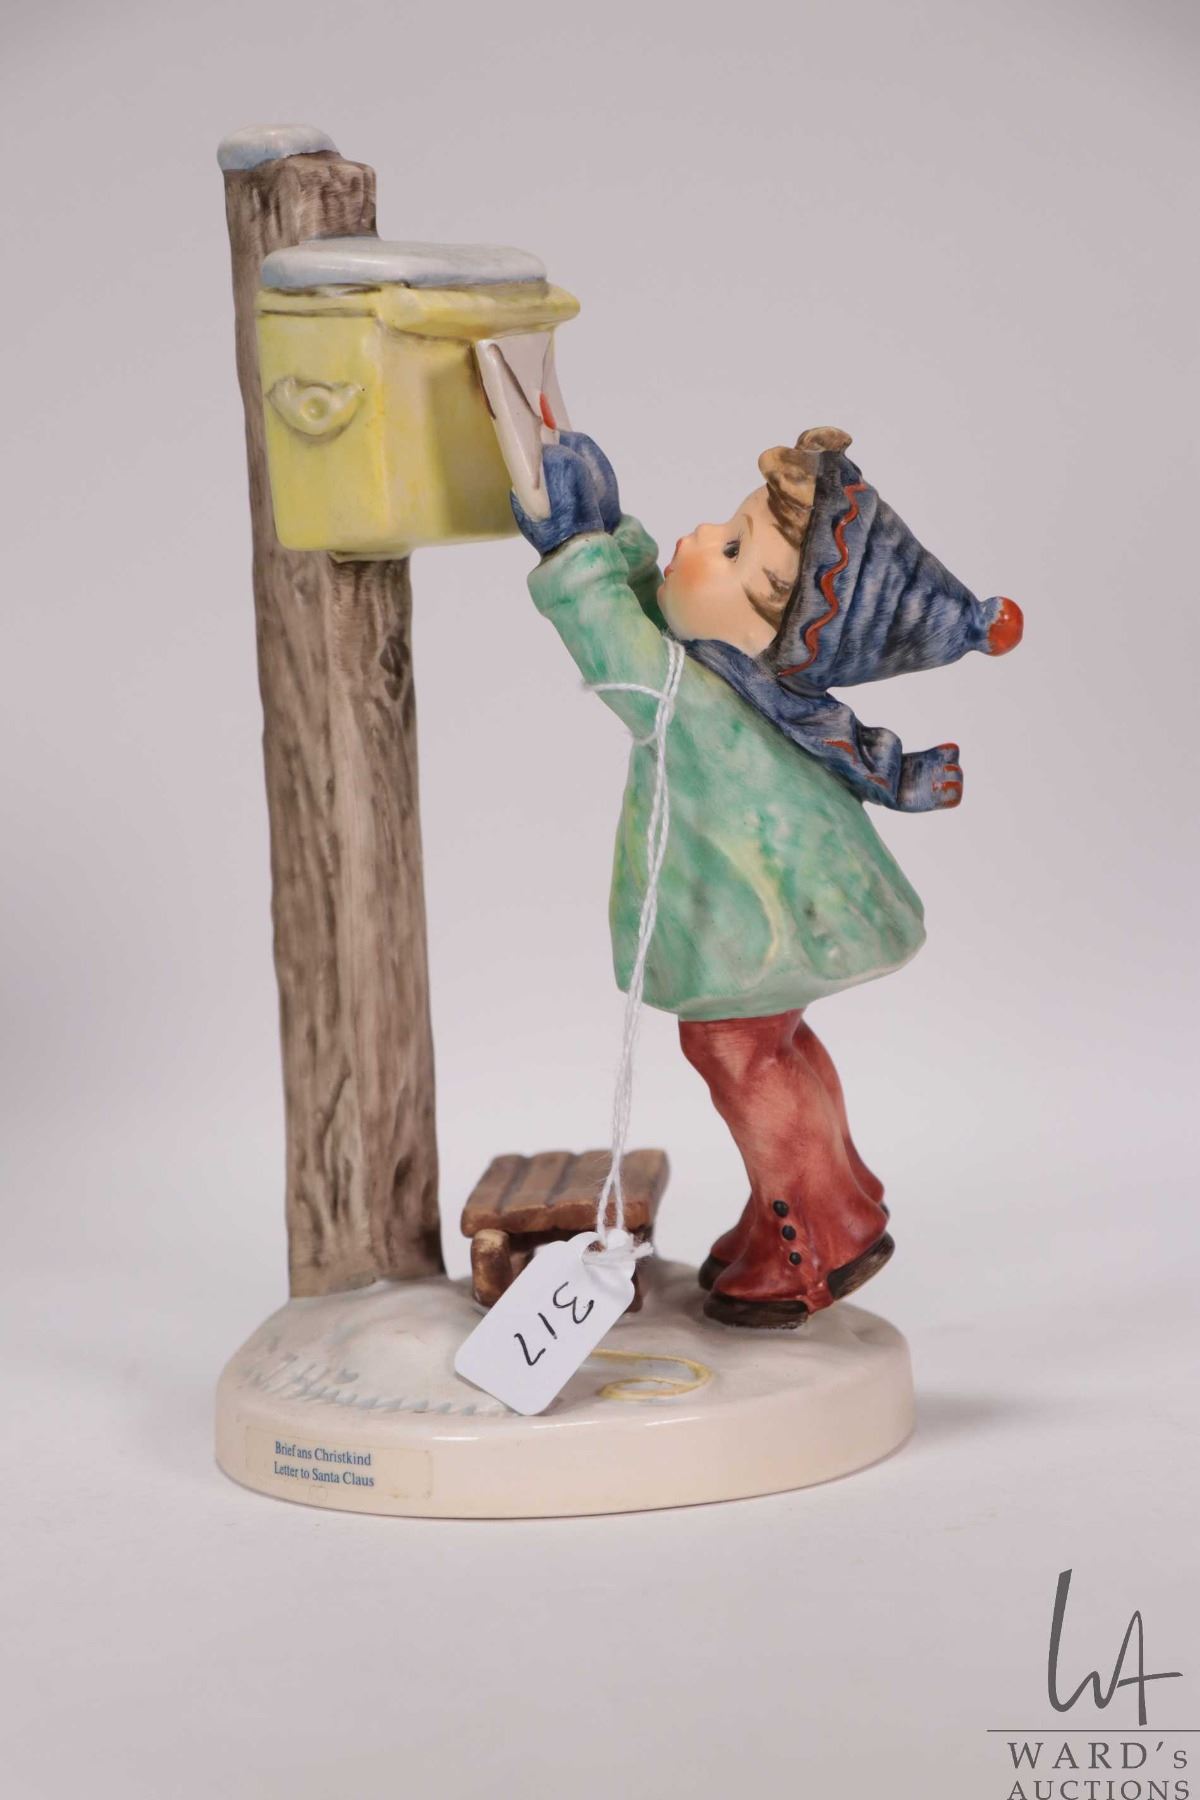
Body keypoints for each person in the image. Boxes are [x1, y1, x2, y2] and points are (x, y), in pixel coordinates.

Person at [512, 427, 1022, 1328]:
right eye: (729, 528)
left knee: (735, 1050)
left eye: (733, 549)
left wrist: (573, 557)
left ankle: (810, 1240)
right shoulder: (729, 670)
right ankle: (828, 1192)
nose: (703, 534)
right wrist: (611, 536)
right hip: (784, 900)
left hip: (750, 918)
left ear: (767, 631)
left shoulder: (689, 692)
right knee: (773, 1039)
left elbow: (618, 651)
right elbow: (657, 619)